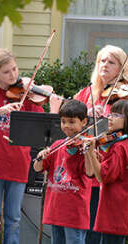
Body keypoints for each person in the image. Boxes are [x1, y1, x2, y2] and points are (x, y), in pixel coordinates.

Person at [0, 49, 61, 244]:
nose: (13, 75)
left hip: (18, 164)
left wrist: (54, 111)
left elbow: (44, 129)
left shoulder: (26, 95)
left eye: (14, 69)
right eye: (6, 72)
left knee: (13, 219)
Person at [71, 45, 128, 244]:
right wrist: (85, 116)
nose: (105, 64)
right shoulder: (85, 94)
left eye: (111, 62)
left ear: (122, 69)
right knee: (83, 225)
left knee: (97, 227)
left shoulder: (126, 95)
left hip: (107, 166)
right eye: (102, 60)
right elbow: (69, 125)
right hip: (83, 164)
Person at [84, 100, 128, 244]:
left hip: (114, 211)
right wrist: (100, 161)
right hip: (127, 211)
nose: (110, 118)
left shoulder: (118, 147)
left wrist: (91, 153)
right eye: (111, 114)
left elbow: (102, 177)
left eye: (117, 115)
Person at [32, 100, 92, 244]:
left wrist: (89, 151)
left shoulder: (86, 148)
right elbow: (37, 168)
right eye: (63, 121)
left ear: (83, 122)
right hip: (56, 209)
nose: (66, 126)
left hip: (74, 212)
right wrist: (41, 157)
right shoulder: (57, 145)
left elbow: (90, 172)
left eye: (72, 122)